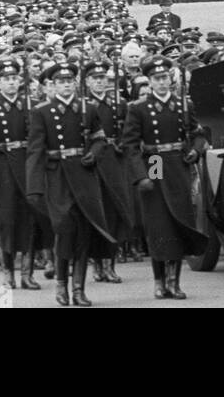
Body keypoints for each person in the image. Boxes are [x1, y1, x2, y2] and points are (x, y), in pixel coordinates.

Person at [26, 63, 116, 307]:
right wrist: (33, 186)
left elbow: (103, 139)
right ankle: (62, 286)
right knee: (65, 230)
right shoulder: (42, 111)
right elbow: (35, 150)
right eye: (61, 82)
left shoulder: (95, 108)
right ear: (53, 86)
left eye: (69, 81)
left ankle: (80, 288)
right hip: (59, 177)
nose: (66, 85)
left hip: (90, 173)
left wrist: (96, 153)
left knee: (86, 234)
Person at [122, 56, 209, 300]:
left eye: (165, 78)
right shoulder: (139, 108)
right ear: (149, 81)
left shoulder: (183, 105)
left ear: (171, 79)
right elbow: (129, 145)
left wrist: (196, 149)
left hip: (178, 163)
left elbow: (197, 134)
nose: (162, 83)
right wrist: (141, 176)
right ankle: (160, 280)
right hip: (156, 161)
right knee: (159, 220)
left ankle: (175, 280)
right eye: (156, 79)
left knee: (180, 219)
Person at [0, 60, 42, 290]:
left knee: (30, 222)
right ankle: (8, 272)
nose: (11, 82)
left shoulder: (32, 106)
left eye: (14, 78)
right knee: (7, 222)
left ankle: (27, 272)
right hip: (5, 170)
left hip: (29, 168)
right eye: (6, 79)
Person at [83, 59, 131, 284]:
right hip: (93, 163)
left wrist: (153, 173)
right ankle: (97, 264)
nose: (100, 82)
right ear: (87, 82)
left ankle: (110, 264)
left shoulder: (119, 105)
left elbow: (132, 137)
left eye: (103, 78)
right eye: (95, 79)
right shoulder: (83, 106)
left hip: (115, 161)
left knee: (115, 214)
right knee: (96, 214)